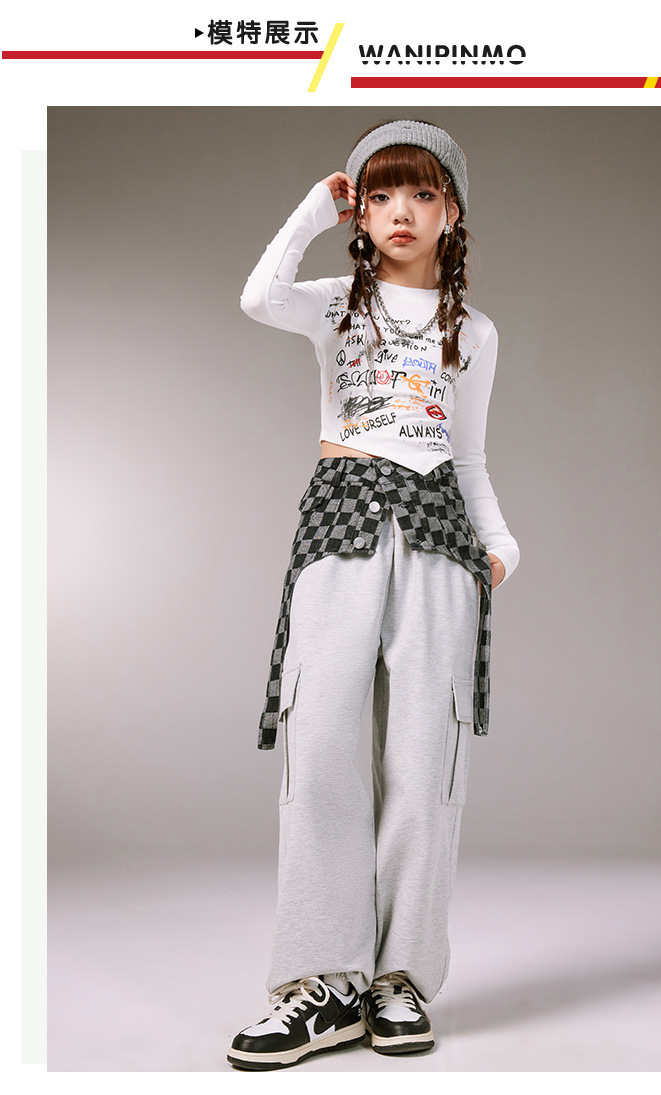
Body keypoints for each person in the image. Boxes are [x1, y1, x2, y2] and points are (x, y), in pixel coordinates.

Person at [227, 119, 520, 1071]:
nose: (401, 211)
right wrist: (316, 209)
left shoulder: (473, 331)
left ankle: (400, 977)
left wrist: (500, 545)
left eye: (422, 193)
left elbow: (468, 455)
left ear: (451, 212)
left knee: (424, 760)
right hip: (342, 520)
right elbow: (258, 296)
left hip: (439, 533)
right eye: (382, 194)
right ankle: (324, 978)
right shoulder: (333, 306)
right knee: (318, 746)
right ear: (363, 213)